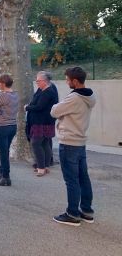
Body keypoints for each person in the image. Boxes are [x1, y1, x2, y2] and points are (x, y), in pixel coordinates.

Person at [51, 67, 96, 226]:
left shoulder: (74, 98)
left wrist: (62, 110)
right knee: (83, 177)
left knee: (72, 180)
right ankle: (87, 211)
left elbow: (54, 111)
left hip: (69, 141)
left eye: (68, 79)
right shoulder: (90, 95)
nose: (66, 81)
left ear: (75, 81)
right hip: (80, 141)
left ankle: (72, 214)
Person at [25, 71, 58, 176]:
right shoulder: (41, 90)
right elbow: (35, 102)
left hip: (42, 123)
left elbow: (39, 107)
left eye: (38, 80)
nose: (36, 82)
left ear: (45, 81)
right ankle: (45, 166)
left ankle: (41, 167)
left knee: (36, 143)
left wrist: (27, 107)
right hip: (40, 122)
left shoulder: (48, 92)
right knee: (44, 143)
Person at [0, 74, 19, 186]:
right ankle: (2, 172)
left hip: (1, 126)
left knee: (3, 153)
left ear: (2, 83)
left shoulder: (3, 95)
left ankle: (6, 177)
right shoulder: (15, 94)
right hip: (12, 125)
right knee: (5, 150)